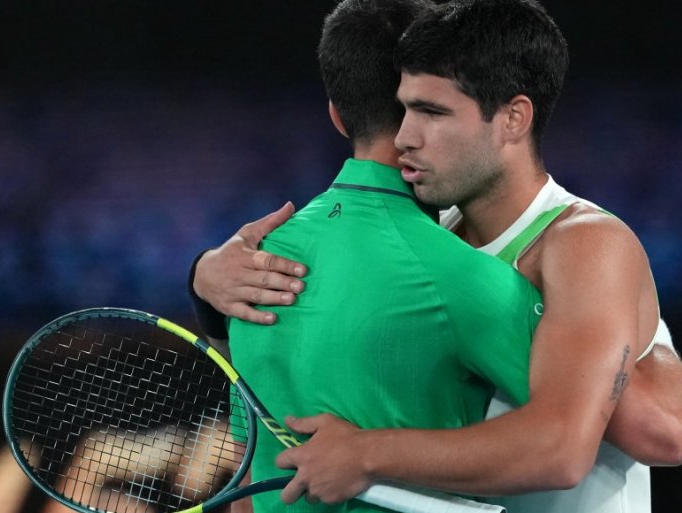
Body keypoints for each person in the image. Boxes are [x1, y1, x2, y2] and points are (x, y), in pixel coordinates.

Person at [191, 1, 682, 512]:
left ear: (514, 118)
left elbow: (653, 437)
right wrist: (205, 279)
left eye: (431, 113)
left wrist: (367, 453)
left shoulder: (584, 242)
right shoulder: (431, 240)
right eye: (404, 109)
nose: (404, 137)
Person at [200, 2, 548, 513]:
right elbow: (607, 425)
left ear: (337, 117)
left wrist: (200, 277)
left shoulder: (248, 271)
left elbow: (249, 484)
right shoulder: (469, 278)